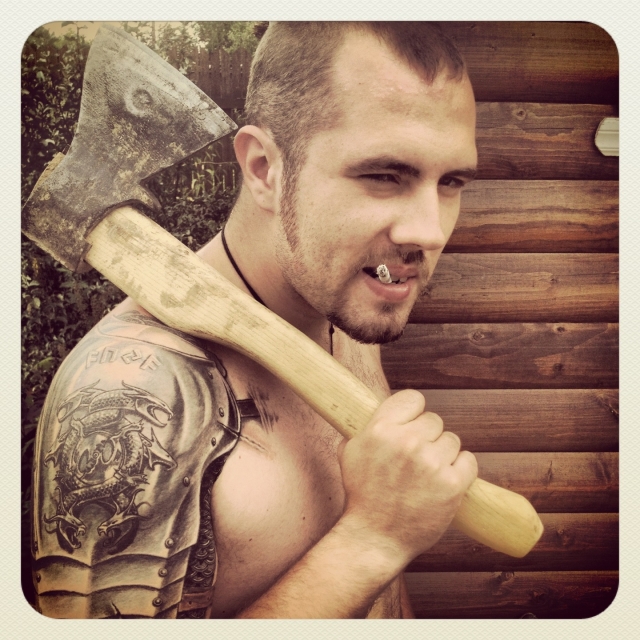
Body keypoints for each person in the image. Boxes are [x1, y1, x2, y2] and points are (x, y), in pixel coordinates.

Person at [30, 21, 478, 619]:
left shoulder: (343, 309)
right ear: (264, 167)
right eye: (384, 175)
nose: (430, 230)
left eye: (452, 181)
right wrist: (373, 541)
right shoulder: (130, 394)